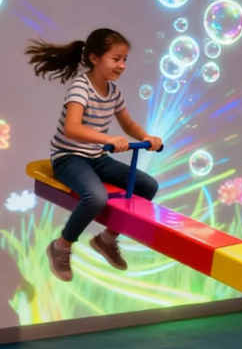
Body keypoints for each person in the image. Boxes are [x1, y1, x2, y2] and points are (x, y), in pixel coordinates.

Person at [25, 28, 162, 282]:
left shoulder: (114, 92)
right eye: (116, 58)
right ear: (94, 58)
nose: (122, 65)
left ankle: (106, 239)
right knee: (96, 197)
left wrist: (147, 137)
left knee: (147, 186)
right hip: (68, 157)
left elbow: (128, 124)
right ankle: (62, 246)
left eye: (125, 60)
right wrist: (107, 139)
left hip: (96, 157)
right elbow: (72, 128)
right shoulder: (81, 87)